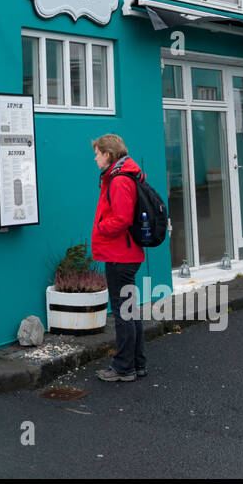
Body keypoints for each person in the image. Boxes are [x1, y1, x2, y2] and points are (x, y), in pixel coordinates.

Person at [90, 133, 146, 382]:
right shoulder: (123, 175)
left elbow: (122, 218)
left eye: (97, 153)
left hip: (120, 254)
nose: (95, 158)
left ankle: (124, 367)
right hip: (125, 252)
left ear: (108, 155)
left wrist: (101, 227)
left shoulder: (119, 180)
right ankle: (137, 363)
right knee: (130, 310)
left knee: (123, 312)